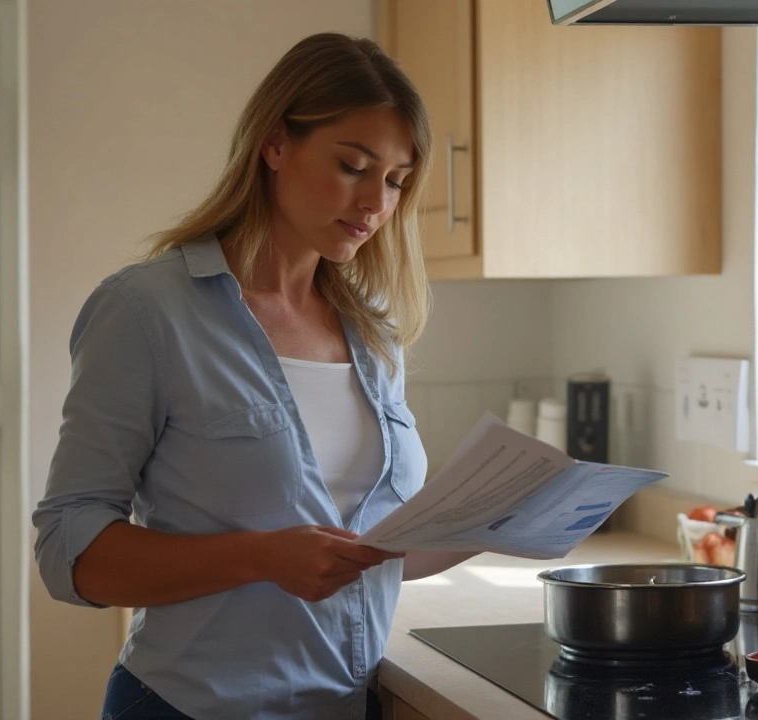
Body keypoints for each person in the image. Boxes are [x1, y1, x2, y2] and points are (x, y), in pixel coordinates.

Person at [33, 33, 473, 720]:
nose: (376, 203)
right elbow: (70, 549)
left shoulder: (371, 329)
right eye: (353, 166)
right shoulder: (147, 311)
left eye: (395, 181)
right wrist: (262, 557)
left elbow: (362, 555)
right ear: (274, 144)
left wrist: (499, 522)